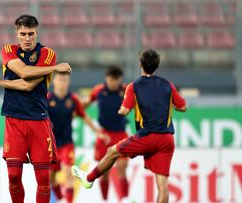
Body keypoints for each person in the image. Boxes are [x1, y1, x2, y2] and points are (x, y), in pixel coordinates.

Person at [72, 49, 187, 203]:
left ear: (140, 64)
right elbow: (183, 107)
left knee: (112, 152)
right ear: (157, 66)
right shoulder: (167, 85)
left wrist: (123, 109)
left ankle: (89, 179)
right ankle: (107, 198)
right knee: (162, 184)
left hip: (146, 136)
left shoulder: (134, 86)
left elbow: (124, 110)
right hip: (167, 138)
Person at [0, 14, 72, 203]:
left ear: (36, 33)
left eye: (31, 34)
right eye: (23, 34)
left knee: (43, 180)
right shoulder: (8, 50)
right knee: (14, 175)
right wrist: (54, 69)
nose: (27, 38)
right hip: (14, 120)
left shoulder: (48, 54)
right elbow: (24, 73)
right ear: (17, 34)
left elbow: (27, 85)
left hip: (38, 121)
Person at [48, 72, 107, 203]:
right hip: (50, 145)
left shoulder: (73, 100)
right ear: (54, 82)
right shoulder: (47, 99)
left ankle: (68, 201)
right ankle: (60, 199)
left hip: (67, 144)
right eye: (60, 80)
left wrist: (98, 131)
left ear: (68, 82)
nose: (62, 83)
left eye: (65, 80)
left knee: (68, 172)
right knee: (51, 177)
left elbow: (84, 116)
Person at [82, 65, 130, 201]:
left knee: (122, 166)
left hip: (121, 134)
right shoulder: (98, 90)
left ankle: (125, 198)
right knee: (104, 172)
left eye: (117, 80)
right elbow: (84, 104)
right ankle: (105, 200)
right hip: (105, 135)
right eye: (111, 79)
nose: (114, 83)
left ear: (120, 79)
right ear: (106, 78)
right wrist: (76, 108)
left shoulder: (126, 90)